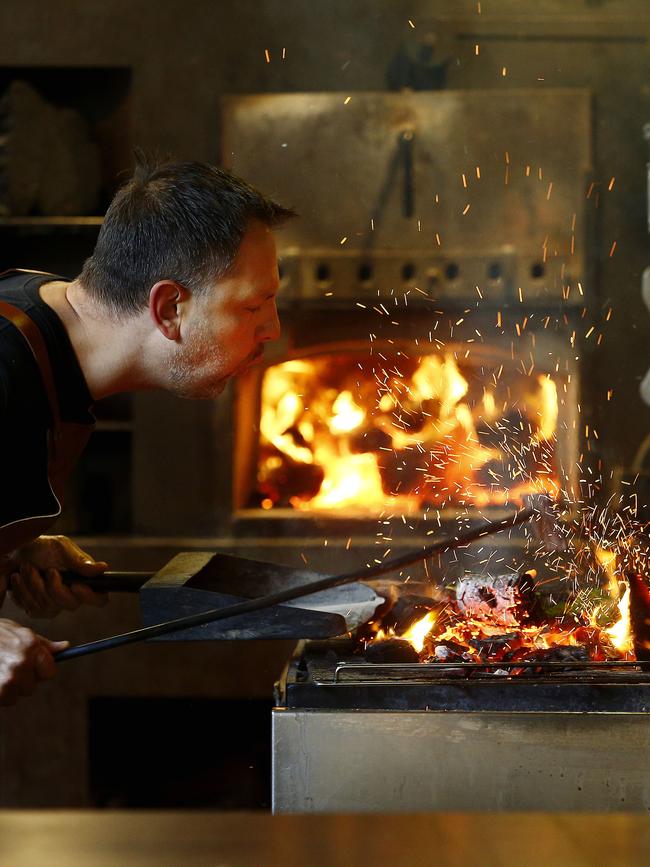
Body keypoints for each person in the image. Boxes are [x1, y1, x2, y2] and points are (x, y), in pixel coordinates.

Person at [0, 154, 294, 705]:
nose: (272, 331)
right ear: (169, 308)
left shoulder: (44, 318)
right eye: (254, 306)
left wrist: (14, 545)